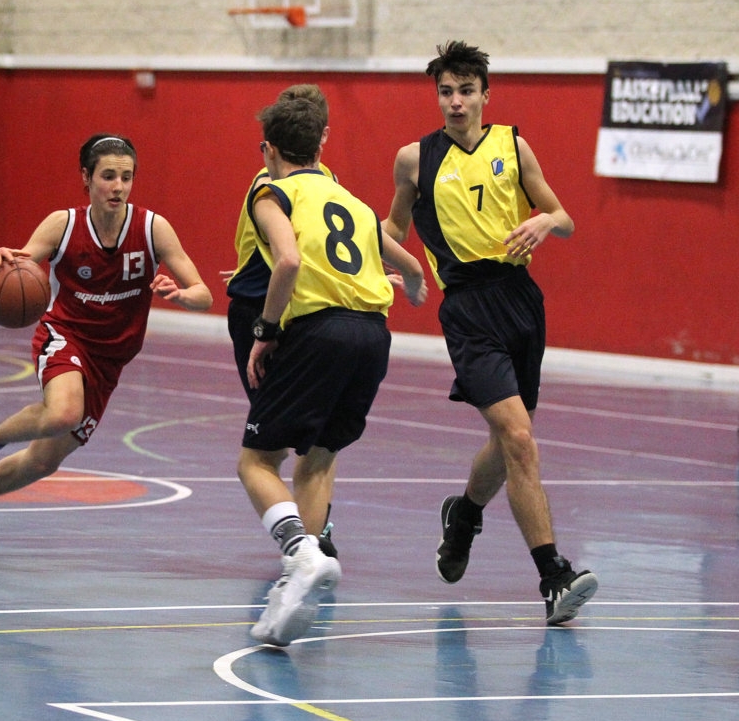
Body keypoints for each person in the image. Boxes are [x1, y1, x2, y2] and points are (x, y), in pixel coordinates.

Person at [382, 40, 598, 625]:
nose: (455, 101)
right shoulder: (415, 159)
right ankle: (554, 576)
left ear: (485, 94)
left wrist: (544, 222)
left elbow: (564, 219)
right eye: (445, 92)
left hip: (521, 301)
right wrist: (370, 260)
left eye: (465, 90)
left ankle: (465, 515)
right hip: (468, 308)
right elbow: (392, 228)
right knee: (519, 437)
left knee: (511, 440)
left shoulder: (513, 146)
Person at [0, 133, 213, 559]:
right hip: (65, 335)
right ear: (86, 178)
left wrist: (182, 295)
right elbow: (21, 263)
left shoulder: (153, 228)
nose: (118, 186)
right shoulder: (62, 225)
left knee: (42, 462)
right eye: (108, 176)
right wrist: (4, 257)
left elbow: (204, 294)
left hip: (109, 360)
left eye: (126, 177)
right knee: (64, 412)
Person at [239, 96, 427, 646]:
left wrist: (265, 331)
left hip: (318, 331)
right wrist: (414, 283)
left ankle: (300, 553)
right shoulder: (350, 199)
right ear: (320, 148)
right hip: (373, 336)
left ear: (270, 150)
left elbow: (288, 259)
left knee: (256, 461)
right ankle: (294, 590)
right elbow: (406, 261)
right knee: (318, 458)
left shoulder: (271, 192)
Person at [225, 84, 340, 554]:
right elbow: (273, 254)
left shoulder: (325, 180)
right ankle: (304, 537)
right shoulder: (269, 184)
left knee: (317, 439)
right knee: (277, 441)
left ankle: (311, 533)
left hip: (299, 313)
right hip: (260, 311)